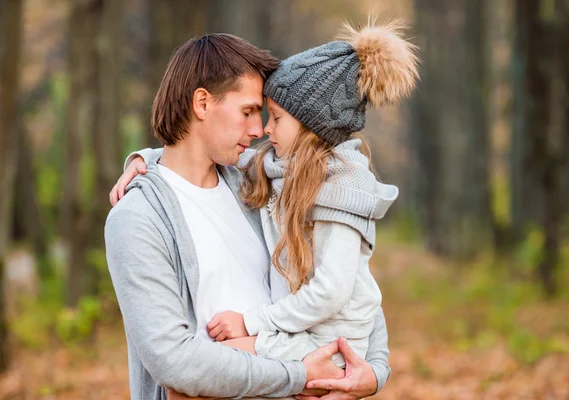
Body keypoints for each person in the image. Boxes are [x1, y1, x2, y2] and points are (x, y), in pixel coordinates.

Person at [105, 31, 392, 400]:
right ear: (202, 103)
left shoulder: (258, 188)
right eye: (247, 112)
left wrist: (374, 372)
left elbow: (352, 285)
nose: (258, 130)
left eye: (264, 114)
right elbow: (173, 360)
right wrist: (298, 374)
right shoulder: (138, 218)